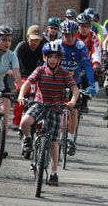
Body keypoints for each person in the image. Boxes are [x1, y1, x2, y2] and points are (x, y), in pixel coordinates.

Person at [19, 41, 79, 186]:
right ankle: (27, 139)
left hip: (56, 108)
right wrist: (21, 95)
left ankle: (53, 173)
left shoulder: (64, 73)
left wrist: (72, 101)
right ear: (45, 58)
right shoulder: (40, 70)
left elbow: (75, 89)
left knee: (53, 142)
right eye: (50, 56)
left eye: (55, 57)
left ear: (59, 59)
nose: (53, 59)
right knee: (24, 122)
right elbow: (28, 83)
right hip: (40, 104)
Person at [57, 20, 97, 156]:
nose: (69, 38)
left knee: (73, 109)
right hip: (57, 81)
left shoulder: (80, 47)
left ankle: (71, 138)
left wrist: (91, 84)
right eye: (66, 35)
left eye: (72, 35)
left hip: (74, 82)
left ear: (76, 34)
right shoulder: (57, 45)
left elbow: (87, 66)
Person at [11, 25, 45, 129]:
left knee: (42, 96)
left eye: (37, 40)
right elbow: (13, 59)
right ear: (27, 38)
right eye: (32, 39)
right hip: (23, 76)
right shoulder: (22, 47)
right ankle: (16, 121)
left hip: (38, 77)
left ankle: (40, 123)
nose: (34, 42)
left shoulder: (44, 48)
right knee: (20, 91)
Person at [76, 12, 102, 112]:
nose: (84, 29)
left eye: (87, 26)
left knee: (84, 77)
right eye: (82, 26)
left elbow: (96, 51)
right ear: (78, 25)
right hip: (73, 61)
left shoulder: (93, 36)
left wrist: (96, 63)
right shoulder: (73, 34)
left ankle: (84, 102)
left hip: (87, 62)